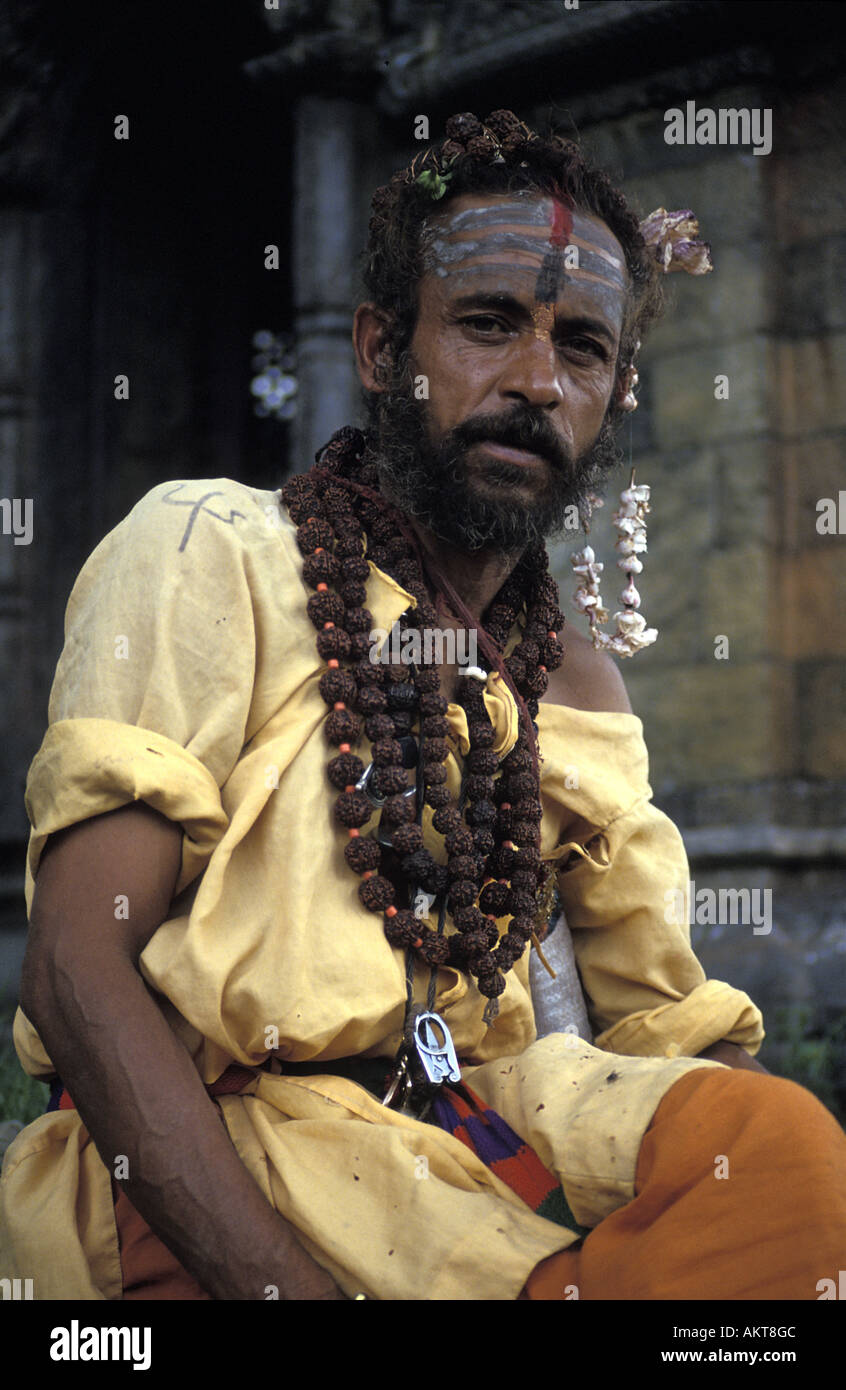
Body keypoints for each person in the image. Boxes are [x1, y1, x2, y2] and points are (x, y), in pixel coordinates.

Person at [1, 110, 844, 1302]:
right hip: (222, 1167)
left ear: (616, 393)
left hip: (487, 1142)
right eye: (490, 326)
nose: (537, 383)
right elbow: (79, 965)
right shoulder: (213, 548)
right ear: (382, 345)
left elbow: (669, 1023)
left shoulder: (575, 681)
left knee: (788, 1155)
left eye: (584, 348)